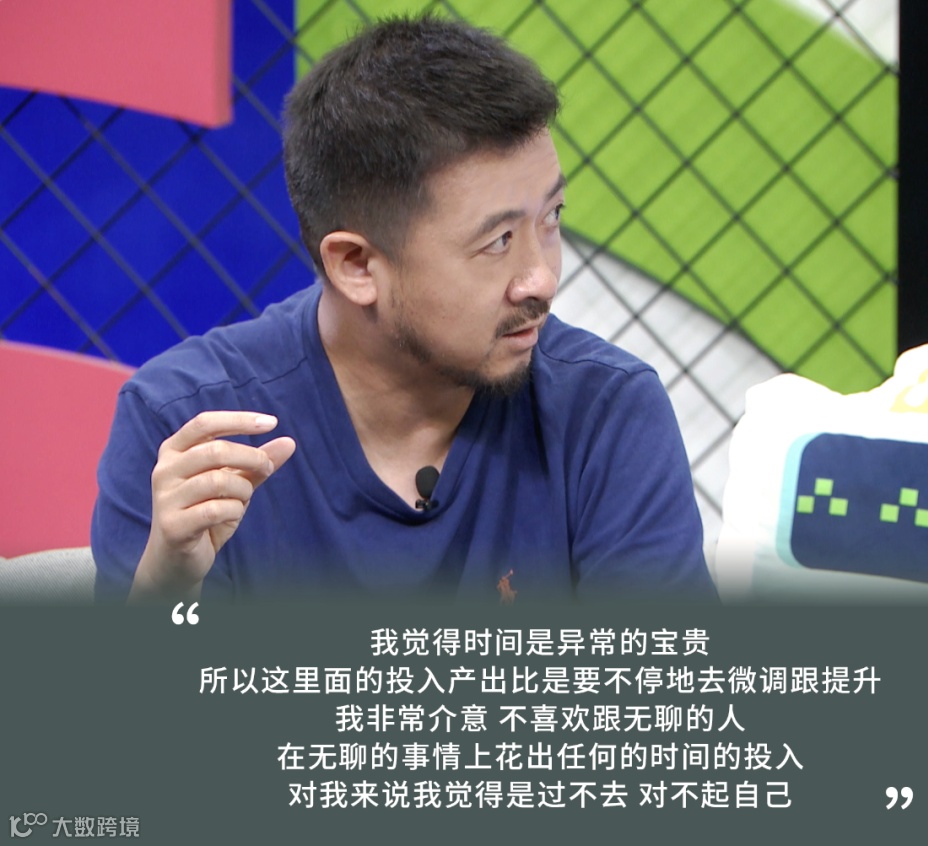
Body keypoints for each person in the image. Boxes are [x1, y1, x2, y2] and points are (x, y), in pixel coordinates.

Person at [91, 16, 716, 603]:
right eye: (498, 241)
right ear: (357, 265)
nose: (542, 279)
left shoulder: (605, 411)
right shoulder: (186, 428)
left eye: (552, 218)